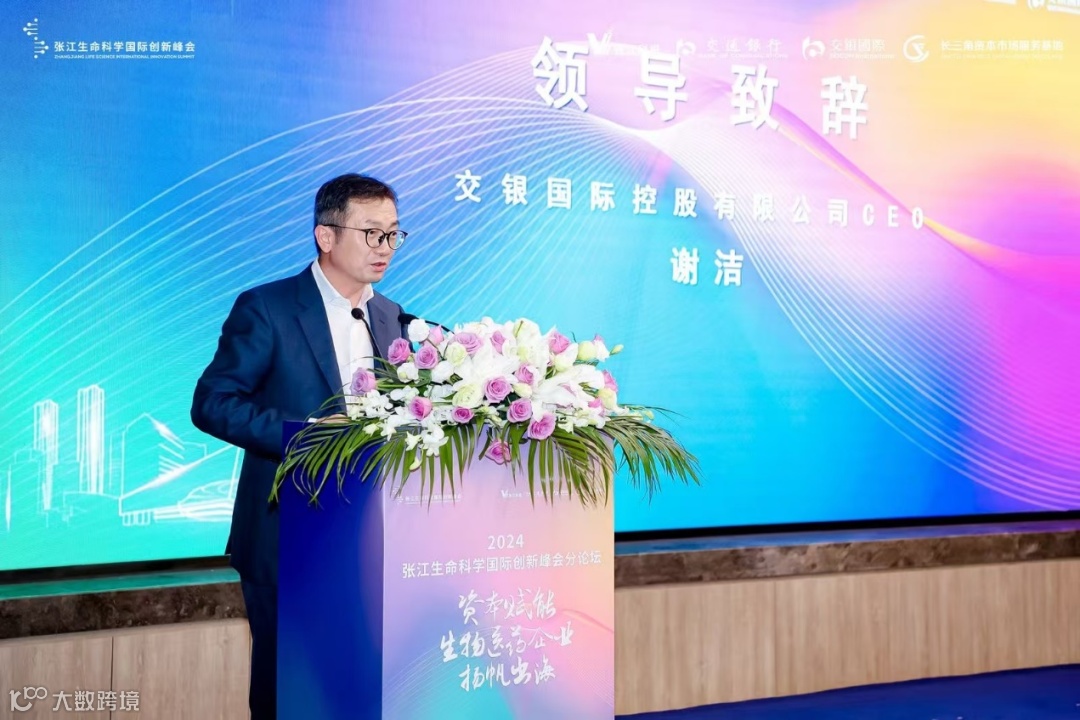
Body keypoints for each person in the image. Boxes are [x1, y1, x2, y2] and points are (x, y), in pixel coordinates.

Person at [190, 173, 410, 719]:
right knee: (287, 692)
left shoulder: (393, 317)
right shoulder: (268, 307)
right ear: (325, 236)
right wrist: (305, 437)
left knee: (357, 689)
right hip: (286, 532)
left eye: (393, 234)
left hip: (372, 538)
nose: (385, 247)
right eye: (372, 233)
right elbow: (213, 402)